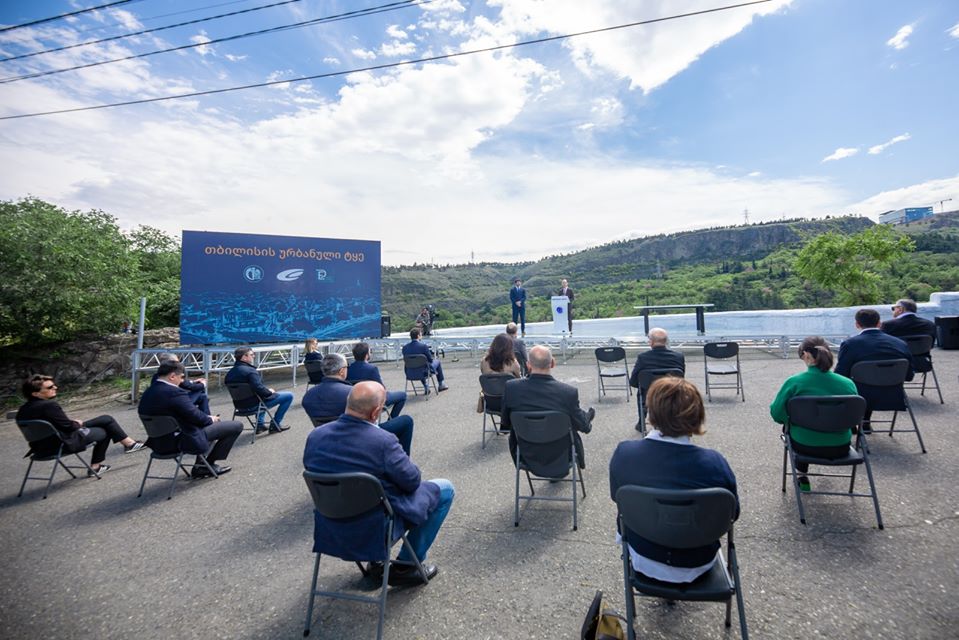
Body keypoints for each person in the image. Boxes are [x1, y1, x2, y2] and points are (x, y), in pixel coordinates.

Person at [303, 381, 454, 586]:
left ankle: (376, 562)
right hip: (374, 528)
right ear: (375, 412)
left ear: (348, 403)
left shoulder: (315, 436)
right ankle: (406, 565)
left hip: (331, 527)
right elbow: (412, 482)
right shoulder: (382, 441)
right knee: (444, 489)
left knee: (368, 494)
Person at [609, 377, 739, 583]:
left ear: (651, 414)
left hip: (644, 556)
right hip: (699, 560)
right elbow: (732, 514)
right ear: (697, 416)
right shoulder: (715, 463)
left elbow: (617, 499)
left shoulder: (625, 454)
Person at [770, 336, 858, 492]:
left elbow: (777, 413)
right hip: (841, 446)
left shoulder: (794, 382)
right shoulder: (847, 384)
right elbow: (853, 417)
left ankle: (802, 476)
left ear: (805, 355)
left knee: (797, 428)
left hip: (805, 446)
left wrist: (790, 420)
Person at [17, 374, 144, 476]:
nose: (55, 387)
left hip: (41, 448)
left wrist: (73, 423)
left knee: (106, 419)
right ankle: (97, 465)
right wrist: (76, 423)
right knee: (104, 430)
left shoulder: (22, 411)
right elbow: (69, 427)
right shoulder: (49, 406)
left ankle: (129, 444)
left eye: (54, 385)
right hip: (62, 443)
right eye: (50, 387)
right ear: (36, 394)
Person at [139, 362, 242, 478]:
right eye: (181, 377)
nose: (182, 381)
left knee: (208, 425)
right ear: (172, 376)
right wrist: (211, 419)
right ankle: (206, 465)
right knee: (236, 426)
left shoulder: (148, 392)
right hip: (182, 441)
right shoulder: (174, 393)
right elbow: (196, 417)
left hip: (158, 444)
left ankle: (201, 465)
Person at [500, 345, 594, 469]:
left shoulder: (511, 388)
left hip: (526, 454)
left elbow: (505, 422)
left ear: (528, 365)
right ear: (552, 363)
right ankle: (586, 416)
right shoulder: (567, 392)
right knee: (576, 419)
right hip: (561, 455)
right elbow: (584, 428)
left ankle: (584, 416)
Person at [304, 354, 415, 456]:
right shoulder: (353, 394)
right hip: (360, 437)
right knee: (406, 420)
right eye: (347, 367)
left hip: (329, 438)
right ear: (342, 371)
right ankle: (401, 459)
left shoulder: (307, 397)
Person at [835, 308, 913, 430]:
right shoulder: (900, 343)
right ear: (879, 323)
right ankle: (865, 422)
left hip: (860, 396)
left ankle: (852, 421)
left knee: (851, 381)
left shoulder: (850, 344)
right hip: (893, 394)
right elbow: (909, 376)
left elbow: (840, 374)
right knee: (869, 378)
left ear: (857, 324)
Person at [224, 347, 293, 433]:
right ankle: (275, 424)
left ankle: (260, 425)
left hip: (239, 406)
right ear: (244, 357)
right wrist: (270, 392)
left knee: (259, 397)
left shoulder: (229, 374)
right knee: (288, 396)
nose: (254, 356)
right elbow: (261, 390)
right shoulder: (250, 371)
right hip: (253, 405)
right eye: (251, 355)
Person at [629, 327, 685, 430]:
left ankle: (641, 423)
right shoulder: (678, 357)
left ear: (651, 342)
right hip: (672, 391)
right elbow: (681, 378)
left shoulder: (643, 357)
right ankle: (673, 422)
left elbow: (633, 381)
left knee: (642, 390)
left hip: (650, 393)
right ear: (666, 341)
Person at [347, 342, 407, 419]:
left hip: (355, 401)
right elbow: (381, 388)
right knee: (403, 395)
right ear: (367, 355)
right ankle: (392, 419)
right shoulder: (372, 369)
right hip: (372, 400)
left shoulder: (348, 369)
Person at [402, 328, 448, 393]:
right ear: (418, 336)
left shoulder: (405, 348)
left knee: (418, 364)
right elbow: (430, 360)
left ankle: (426, 386)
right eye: (421, 335)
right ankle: (441, 384)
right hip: (424, 372)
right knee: (436, 362)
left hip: (410, 372)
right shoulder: (423, 346)